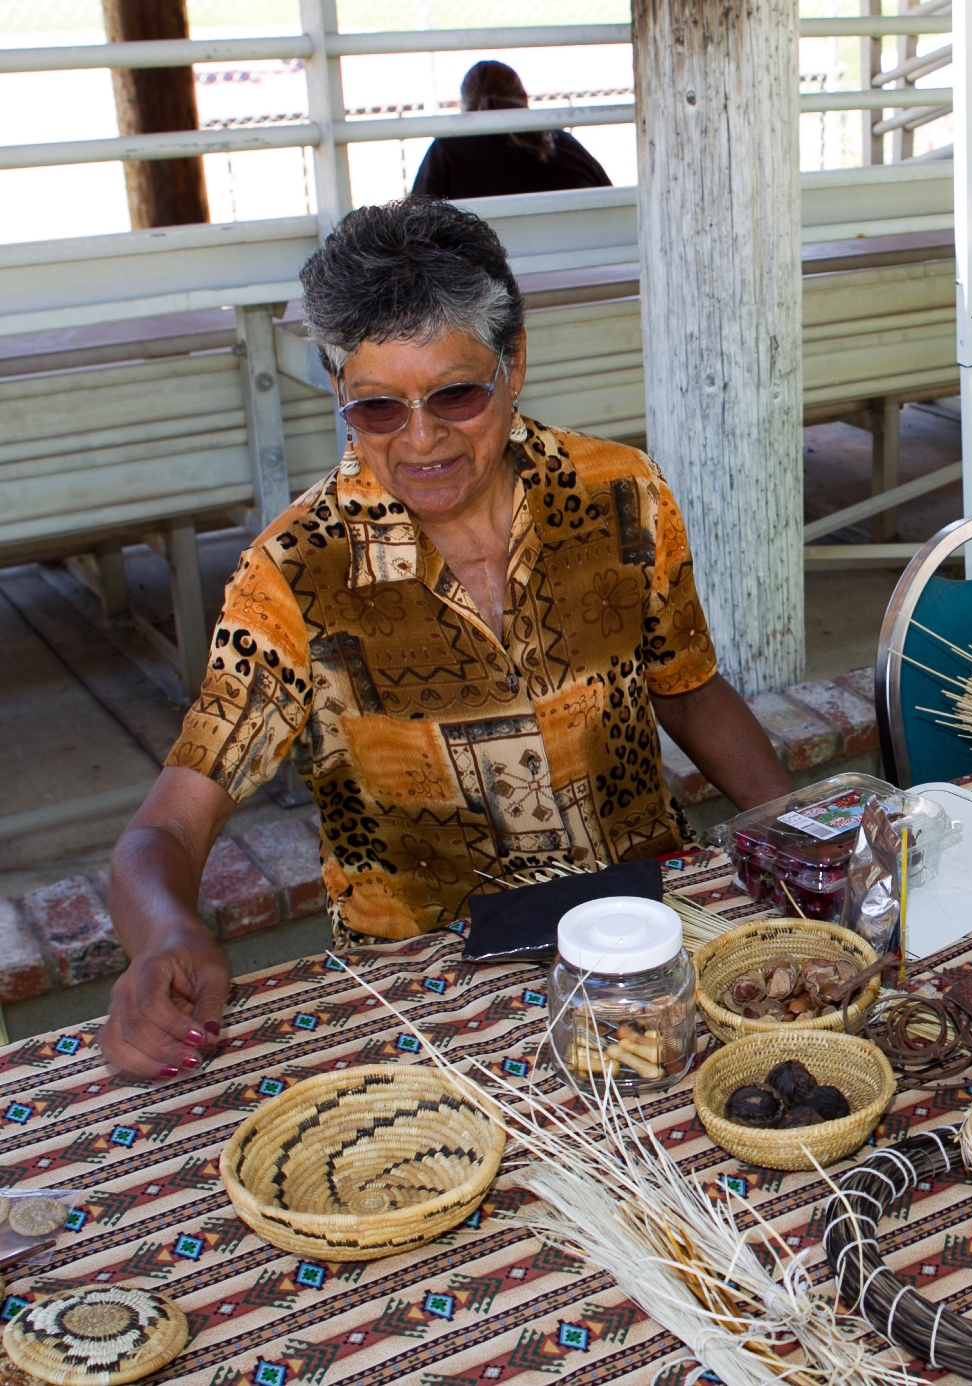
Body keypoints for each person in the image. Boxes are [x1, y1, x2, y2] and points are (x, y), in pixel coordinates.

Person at [101, 198, 791, 1079]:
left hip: (643, 944)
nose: (422, 440)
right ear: (337, 390)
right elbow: (165, 827)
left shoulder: (621, 494)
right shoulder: (295, 576)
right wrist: (165, 934)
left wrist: (796, 831)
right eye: (377, 409)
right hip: (433, 991)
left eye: (456, 395)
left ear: (516, 363)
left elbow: (686, 686)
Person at [411, 60, 612, 200]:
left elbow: (412, 231)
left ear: (465, 106)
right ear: (523, 99)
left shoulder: (446, 151)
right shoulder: (565, 145)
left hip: (483, 261)